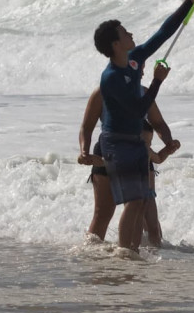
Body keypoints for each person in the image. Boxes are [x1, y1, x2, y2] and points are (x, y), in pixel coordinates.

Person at [88, 0, 194, 251]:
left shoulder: (132, 60)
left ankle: (132, 251)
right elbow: (137, 109)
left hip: (134, 141)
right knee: (132, 201)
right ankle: (125, 253)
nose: (131, 34)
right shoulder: (110, 79)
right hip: (116, 142)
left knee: (142, 200)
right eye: (125, 33)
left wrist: (189, 3)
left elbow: (163, 35)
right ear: (115, 45)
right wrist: (157, 80)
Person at [78, 93, 182, 245]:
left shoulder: (143, 92)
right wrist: (85, 154)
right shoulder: (102, 92)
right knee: (105, 213)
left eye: (149, 143)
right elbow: (87, 129)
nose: (142, 71)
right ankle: (98, 251)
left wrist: (169, 145)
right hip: (112, 149)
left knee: (147, 218)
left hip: (141, 174)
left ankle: (152, 252)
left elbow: (158, 125)